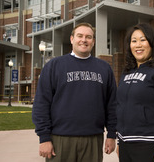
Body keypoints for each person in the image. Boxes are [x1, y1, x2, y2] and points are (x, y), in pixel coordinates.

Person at [32, 22, 117, 162]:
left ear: (93, 41)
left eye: (88, 37)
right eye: (80, 36)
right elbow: (41, 103)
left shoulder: (104, 68)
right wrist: (44, 137)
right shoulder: (54, 66)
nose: (84, 40)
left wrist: (112, 134)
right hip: (60, 139)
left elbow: (112, 104)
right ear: (72, 39)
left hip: (93, 139)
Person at [116, 23, 154, 162]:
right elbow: (121, 106)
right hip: (125, 145)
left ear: (152, 43)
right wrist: (119, 141)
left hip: (148, 145)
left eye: (143, 40)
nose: (138, 45)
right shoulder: (126, 72)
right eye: (134, 41)